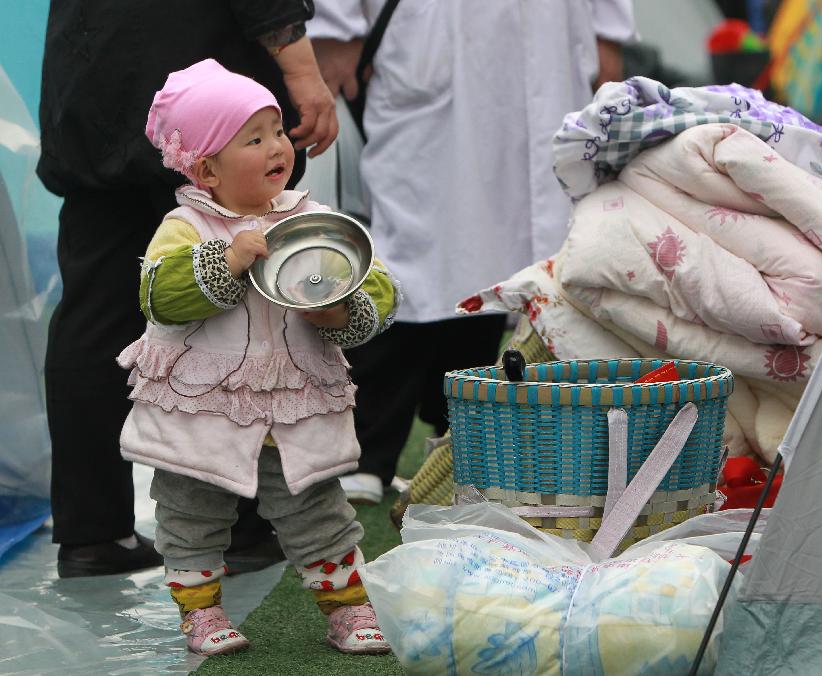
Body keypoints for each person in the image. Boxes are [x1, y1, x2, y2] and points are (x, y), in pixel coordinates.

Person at [37, 0, 338, 577]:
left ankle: (93, 532)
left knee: (93, 318)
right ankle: (245, 526)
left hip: (92, 82)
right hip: (207, 81)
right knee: (241, 306)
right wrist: (301, 71)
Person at [117, 59, 398, 656]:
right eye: (255, 138)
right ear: (206, 167)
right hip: (204, 407)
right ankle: (201, 613)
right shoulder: (184, 225)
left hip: (292, 407)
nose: (278, 146)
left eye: (277, 131)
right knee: (191, 513)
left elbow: (374, 282)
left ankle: (347, 609)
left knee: (318, 509)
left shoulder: (307, 218)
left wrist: (341, 312)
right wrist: (225, 260)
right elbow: (157, 296)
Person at [307, 0, 636, 503]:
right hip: (432, 37)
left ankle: (466, 441)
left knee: (498, 259)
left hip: (549, 38)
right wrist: (337, 27)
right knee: (414, 245)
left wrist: (607, 33)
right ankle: (366, 449)